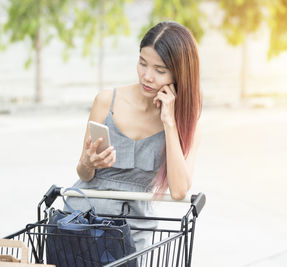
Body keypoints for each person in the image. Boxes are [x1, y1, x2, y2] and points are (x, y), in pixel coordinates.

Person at [66, 21, 202, 253]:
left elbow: (179, 191)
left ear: (179, 74)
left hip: (134, 233)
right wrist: (88, 162)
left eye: (160, 70)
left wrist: (169, 122)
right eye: (142, 63)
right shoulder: (106, 100)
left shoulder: (186, 120)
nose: (147, 76)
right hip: (83, 223)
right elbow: (83, 173)